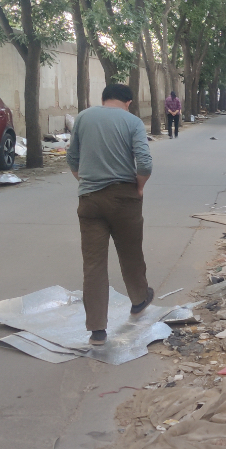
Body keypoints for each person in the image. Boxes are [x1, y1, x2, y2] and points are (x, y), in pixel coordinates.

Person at [66, 83, 154, 346]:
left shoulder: (82, 117)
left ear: (103, 99)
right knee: (130, 253)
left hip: (90, 200)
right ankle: (138, 300)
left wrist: (86, 183)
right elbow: (145, 163)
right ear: (128, 102)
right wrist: (139, 187)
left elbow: (73, 159)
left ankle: (97, 330)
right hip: (124, 197)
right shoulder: (133, 122)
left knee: (93, 264)